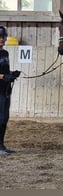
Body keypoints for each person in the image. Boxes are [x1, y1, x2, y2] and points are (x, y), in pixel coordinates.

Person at [0, 26, 20, 155]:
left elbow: (5, 71)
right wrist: (3, 77)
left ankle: (1, 145)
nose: (1, 39)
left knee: (4, 118)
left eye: (3, 37)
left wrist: (12, 74)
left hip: (5, 91)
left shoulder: (5, 53)